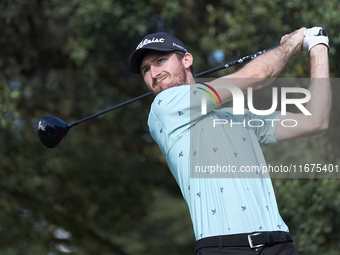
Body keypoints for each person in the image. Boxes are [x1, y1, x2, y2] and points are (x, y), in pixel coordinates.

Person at [129, 27, 330, 255]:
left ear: (186, 59)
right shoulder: (164, 107)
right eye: (146, 69)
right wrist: (291, 44)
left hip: (280, 245)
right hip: (224, 248)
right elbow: (259, 75)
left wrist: (318, 45)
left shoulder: (238, 115)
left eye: (160, 60)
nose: (154, 73)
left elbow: (316, 121)